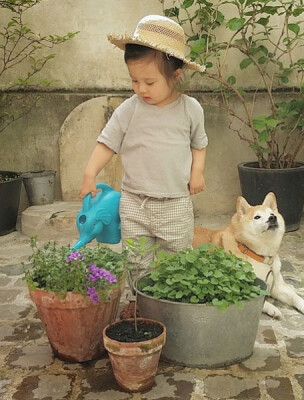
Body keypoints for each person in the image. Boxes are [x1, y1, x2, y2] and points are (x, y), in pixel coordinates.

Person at [79, 15, 208, 289]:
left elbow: (199, 144)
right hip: (135, 202)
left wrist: (197, 173)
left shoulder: (190, 109)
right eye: (134, 81)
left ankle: (174, 304)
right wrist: (90, 174)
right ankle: (141, 303)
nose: (141, 89)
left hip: (175, 203)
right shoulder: (130, 109)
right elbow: (106, 144)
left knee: (178, 259)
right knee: (137, 260)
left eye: (149, 82)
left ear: (176, 75)